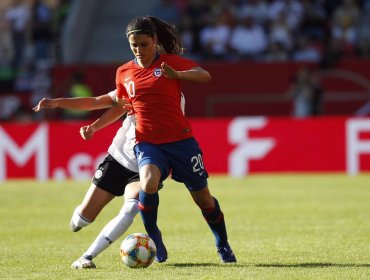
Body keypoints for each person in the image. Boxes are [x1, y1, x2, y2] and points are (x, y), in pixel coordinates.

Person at [115, 16, 236, 263]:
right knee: (147, 183)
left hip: (181, 142)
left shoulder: (169, 63)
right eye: (134, 45)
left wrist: (177, 73)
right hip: (148, 142)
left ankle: (222, 244)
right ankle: (155, 239)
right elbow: (121, 100)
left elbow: (205, 76)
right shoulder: (124, 72)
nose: (139, 50)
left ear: (155, 41)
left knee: (203, 199)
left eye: (144, 44)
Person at [33, 91, 148, 269]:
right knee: (85, 217)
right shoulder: (132, 78)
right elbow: (102, 103)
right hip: (119, 159)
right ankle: (78, 220)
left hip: (147, 165)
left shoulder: (174, 95)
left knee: (132, 207)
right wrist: (57, 103)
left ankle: (86, 257)